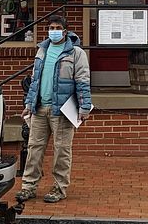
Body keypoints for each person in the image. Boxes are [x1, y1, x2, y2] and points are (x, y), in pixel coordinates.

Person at [16, 15, 93, 203]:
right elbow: (35, 81)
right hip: (40, 108)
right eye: (51, 27)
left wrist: (84, 107)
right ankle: (28, 187)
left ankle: (59, 188)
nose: (54, 31)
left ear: (65, 31)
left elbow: (83, 81)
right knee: (34, 149)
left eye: (58, 27)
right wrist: (28, 104)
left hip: (63, 111)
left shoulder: (76, 53)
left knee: (62, 151)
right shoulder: (42, 50)